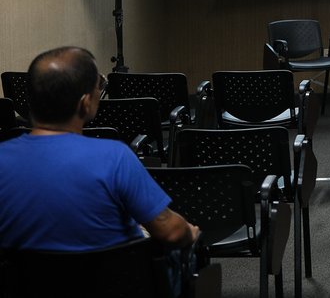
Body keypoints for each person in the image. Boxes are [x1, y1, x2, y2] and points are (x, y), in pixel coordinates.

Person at [0, 47, 200, 255]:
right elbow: (172, 232)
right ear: (85, 103)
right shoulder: (115, 157)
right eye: (99, 86)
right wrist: (189, 231)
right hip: (113, 277)